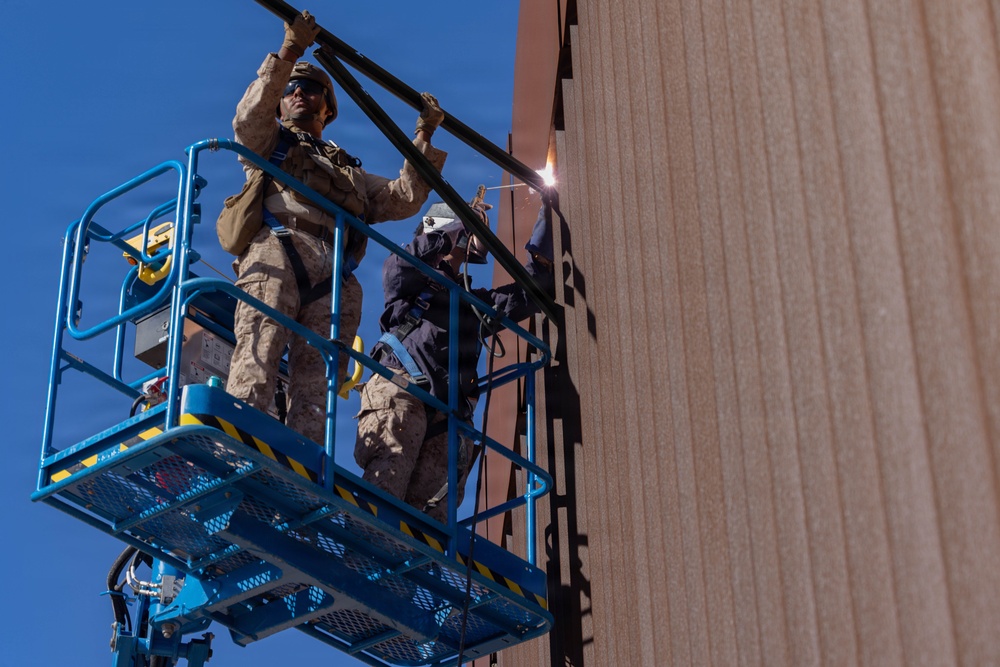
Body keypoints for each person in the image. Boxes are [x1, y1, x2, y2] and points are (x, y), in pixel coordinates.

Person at [226, 10, 447, 445]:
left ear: (328, 109)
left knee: (317, 384)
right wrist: (289, 51)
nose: (298, 93)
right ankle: (238, 444)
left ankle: (303, 463)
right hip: (279, 248)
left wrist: (423, 135)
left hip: (336, 277)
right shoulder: (270, 141)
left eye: (311, 89)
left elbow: (403, 197)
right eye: (290, 89)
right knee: (259, 351)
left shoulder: (349, 170)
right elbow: (247, 120)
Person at [354, 193, 555, 522]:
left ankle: (409, 571)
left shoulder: (471, 304)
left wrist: (547, 217)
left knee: (433, 519)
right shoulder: (410, 280)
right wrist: (459, 222)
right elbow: (400, 263)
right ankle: (361, 551)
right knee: (386, 489)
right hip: (402, 390)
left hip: (447, 418)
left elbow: (531, 290)